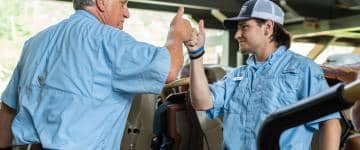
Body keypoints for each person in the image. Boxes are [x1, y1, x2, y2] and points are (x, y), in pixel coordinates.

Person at [0, 0, 192, 149]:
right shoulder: (108, 41)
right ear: (101, 2)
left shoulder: (35, 43)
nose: (127, 13)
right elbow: (169, 70)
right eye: (122, 3)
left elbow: (7, 112)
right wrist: (176, 33)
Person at [185, 0, 341, 149]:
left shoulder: (303, 69)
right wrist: (196, 55)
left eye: (244, 27)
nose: (237, 35)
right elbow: (202, 102)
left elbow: (329, 122)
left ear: (268, 28)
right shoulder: (237, 76)